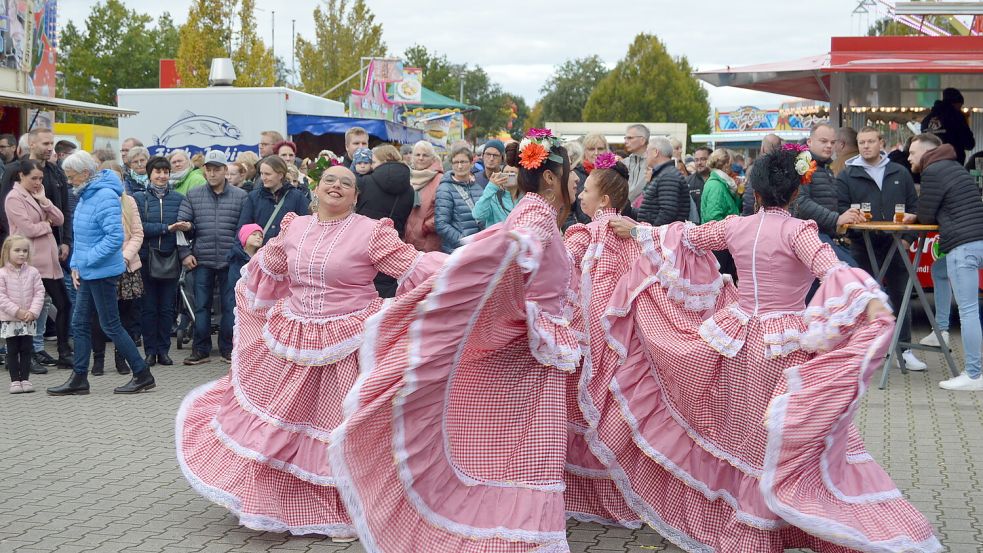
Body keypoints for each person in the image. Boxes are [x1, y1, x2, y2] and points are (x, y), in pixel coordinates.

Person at [603, 148, 940, 552]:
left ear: (756, 193)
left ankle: (755, 530)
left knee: (748, 436)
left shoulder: (737, 226)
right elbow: (831, 269)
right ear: (796, 193)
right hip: (786, 346)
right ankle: (796, 519)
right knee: (795, 439)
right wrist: (868, 298)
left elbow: (683, 235)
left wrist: (636, 230)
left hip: (740, 341)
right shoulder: (799, 231)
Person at [331, 130, 579, 552]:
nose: (577, 185)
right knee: (527, 456)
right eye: (574, 178)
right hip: (527, 360)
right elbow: (517, 246)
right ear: (553, 179)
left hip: (532, 357)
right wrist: (523, 250)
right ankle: (517, 537)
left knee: (518, 455)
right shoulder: (535, 216)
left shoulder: (530, 212)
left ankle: (515, 534)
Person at [176, 164, 438, 540]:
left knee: (336, 428)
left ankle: (342, 510)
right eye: (330, 180)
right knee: (281, 425)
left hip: (348, 344)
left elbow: (414, 268)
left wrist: (469, 269)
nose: (336, 186)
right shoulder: (294, 227)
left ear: (356, 196)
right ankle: (272, 499)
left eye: (346, 183)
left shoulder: (371, 232)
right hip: (293, 338)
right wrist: (252, 243)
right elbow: (266, 268)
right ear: (316, 189)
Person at [47, 151, 155, 396]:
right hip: (89, 270)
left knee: (110, 325)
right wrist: (76, 264)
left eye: (71, 176)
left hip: (102, 272)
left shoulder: (104, 195)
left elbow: (114, 237)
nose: (68, 180)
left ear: (85, 174)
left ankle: (142, 373)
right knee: (80, 322)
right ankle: (79, 378)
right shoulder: (87, 193)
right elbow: (83, 237)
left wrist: (84, 261)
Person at [836, 126, 926, 371]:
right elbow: (841, 209)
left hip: (896, 241)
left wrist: (910, 239)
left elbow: (916, 208)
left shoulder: (900, 171)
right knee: (862, 299)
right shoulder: (847, 175)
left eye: (870, 141)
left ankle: (904, 350)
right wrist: (852, 229)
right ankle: (864, 351)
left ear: (881, 142)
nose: (865, 146)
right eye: (861, 142)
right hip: (861, 244)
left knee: (901, 295)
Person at [910, 133, 983, 391]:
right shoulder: (955, 167)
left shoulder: (933, 171)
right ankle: (939, 330)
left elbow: (926, 214)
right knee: (938, 270)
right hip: (978, 240)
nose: (909, 158)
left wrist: (914, 217)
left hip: (963, 245)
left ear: (927, 152)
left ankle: (974, 375)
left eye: (912, 153)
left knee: (968, 310)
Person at [177, 150, 247, 365]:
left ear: (226, 171)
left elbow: (244, 229)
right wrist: (185, 254)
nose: (212, 173)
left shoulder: (241, 196)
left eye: (217, 169)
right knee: (200, 306)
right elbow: (180, 227)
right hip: (201, 259)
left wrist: (240, 256)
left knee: (230, 305)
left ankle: (228, 348)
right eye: (209, 169)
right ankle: (201, 350)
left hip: (230, 260)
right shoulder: (194, 194)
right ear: (204, 170)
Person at [4, 158, 73, 368]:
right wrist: (46, 224)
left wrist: (44, 201)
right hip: (30, 261)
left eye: (40, 178)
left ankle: (62, 351)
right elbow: (28, 230)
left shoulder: (37, 194)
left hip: (49, 261)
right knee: (32, 308)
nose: (37, 182)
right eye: (33, 178)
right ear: (21, 176)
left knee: (63, 304)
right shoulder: (14, 198)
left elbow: (59, 219)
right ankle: (27, 355)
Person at [133, 156, 185, 368]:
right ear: (149, 174)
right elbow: (138, 227)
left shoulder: (180, 198)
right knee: (148, 308)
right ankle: (149, 351)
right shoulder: (138, 198)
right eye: (157, 172)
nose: (162, 176)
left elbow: (186, 225)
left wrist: (186, 226)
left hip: (170, 258)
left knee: (166, 308)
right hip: (146, 258)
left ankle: (163, 351)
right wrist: (166, 228)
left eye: (165, 172)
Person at [791, 124, 864, 268]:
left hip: (823, 236)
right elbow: (801, 203)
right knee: (849, 271)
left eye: (832, 142)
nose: (829, 146)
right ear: (810, 142)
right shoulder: (803, 164)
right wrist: (837, 218)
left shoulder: (825, 167)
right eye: (824, 141)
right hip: (811, 238)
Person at [90, 183, 143, 376]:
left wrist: (124, 257)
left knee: (125, 316)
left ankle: (122, 359)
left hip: (126, 266)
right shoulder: (93, 201)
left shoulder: (129, 201)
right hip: (102, 266)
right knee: (98, 316)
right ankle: (98, 359)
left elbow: (137, 233)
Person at [355, 144, 414, 298]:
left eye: (374, 162)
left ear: (384, 161)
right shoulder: (409, 190)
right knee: (386, 292)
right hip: (392, 245)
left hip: (362, 244)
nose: (371, 165)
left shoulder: (365, 182)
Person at [0, 235, 43, 394]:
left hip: (28, 319)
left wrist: (33, 311)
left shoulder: (33, 272)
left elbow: (39, 292)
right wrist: (17, 311)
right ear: (7, 251)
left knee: (26, 349)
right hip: (11, 320)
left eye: (25, 250)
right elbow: (1, 297)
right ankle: (14, 381)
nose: (21, 254)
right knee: (12, 350)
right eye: (17, 250)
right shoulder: (2, 274)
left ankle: (25, 379)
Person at [236, 155, 309, 244]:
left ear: (280, 175)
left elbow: (306, 227)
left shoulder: (297, 197)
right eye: (261, 173)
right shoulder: (254, 197)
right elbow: (243, 229)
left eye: (267, 174)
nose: (263, 178)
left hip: (288, 253)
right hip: (260, 253)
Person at [435, 145, 484, 253]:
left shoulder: (477, 187)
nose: (460, 166)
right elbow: (441, 224)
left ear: (471, 163)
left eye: (463, 162)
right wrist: (464, 241)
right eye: (456, 162)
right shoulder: (445, 188)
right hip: (456, 251)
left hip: (477, 249)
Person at [701, 148, 741, 279]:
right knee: (723, 281)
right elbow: (713, 217)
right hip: (719, 245)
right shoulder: (716, 186)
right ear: (725, 165)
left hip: (723, 242)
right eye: (731, 163)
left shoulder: (723, 183)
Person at [637, 136, 689, 226]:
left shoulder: (668, 175)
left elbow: (668, 212)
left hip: (664, 237)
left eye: (647, 152)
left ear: (655, 152)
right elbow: (650, 212)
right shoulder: (664, 174)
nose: (645, 156)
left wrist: (652, 233)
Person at [404, 140, 444, 253]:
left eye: (425, 155)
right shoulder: (407, 176)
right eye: (417, 154)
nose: (421, 158)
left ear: (432, 158)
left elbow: (444, 210)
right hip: (408, 241)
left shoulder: (440, 179)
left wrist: (426, 227)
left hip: (429, 241)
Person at [473, 142, 522, 228]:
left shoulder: (525, 198)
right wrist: (491, 186)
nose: (508, 176)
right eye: (506, 173)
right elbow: (478, 215)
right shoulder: (494, 197)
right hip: (496, 240)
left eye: (512, 173)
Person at [922, 87, 975, 165]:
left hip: (929, 164)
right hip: (952, 165)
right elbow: (969, 143)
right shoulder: (957, 117)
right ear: (955, 103)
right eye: (960, 106)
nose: (960, 109)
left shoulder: (927, 119)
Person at [742, 133, 782, 215]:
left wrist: (747, 217)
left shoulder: (757, 169)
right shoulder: (786, 169)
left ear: (762, 149)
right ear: (780, 149)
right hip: (782, 217)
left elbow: (750, 199)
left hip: (760, 218)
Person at [226, 223, 262, 291]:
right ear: (244, 236)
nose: (258, 237)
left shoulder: (261, 257)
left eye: (261, 236)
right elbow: (234, 282)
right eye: (254, 234)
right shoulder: (236, 258)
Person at [623, 124, 650, 203]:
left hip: (644, 210)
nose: (625, 142)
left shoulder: (653, 163)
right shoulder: (624, 163)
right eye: (625, 138)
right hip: (624, 211)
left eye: (630, 138)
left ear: (642, 140)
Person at [687, 146, 711, 220]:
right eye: (696, 160)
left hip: (715, 226)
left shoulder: (718, 180)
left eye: (703, 159)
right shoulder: (687, 181)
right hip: (694, 227)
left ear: (711, 160)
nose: (699, 163)